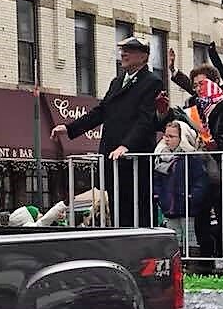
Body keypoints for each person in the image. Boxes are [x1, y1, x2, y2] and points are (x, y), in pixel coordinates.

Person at [51, 36, 166, 227]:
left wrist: (126, 145)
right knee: (117, 204)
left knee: (139, 204)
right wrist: (70, 128)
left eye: (129, 50)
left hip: (134, 157)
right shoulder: (117, 81)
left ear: (144, 56)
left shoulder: (151, 82)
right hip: (112, 154)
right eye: (122, 50)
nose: (124, 54)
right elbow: (101, 112)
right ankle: (122, 244)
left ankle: (143, 246)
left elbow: (145, 120)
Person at [189, 76, 223, 260]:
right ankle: (205, 259)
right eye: (195, 85)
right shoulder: (195, 105)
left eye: (201, 85)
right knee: (201, 216)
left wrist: (215, 145)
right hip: (203, 170)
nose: (198, 89)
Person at [152, 120, 208, 245]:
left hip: (187, 206)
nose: (167, 139)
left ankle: (191, 262)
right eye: (166, 136)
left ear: (182, 137)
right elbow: (157, 180)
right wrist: (159, 197)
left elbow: (200, 180)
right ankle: (177, 263)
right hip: (169, 205)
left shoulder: (192, 157)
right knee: (173, 237)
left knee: (190, 237)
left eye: (172, 136)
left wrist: (193, 197)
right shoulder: (161, 157)